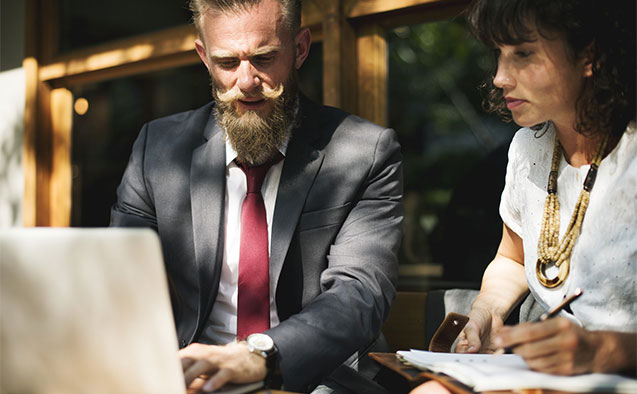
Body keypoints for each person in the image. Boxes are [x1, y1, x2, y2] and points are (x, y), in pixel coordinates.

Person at [110, 0, 403, 393]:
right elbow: (121, 280)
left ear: (300, 48)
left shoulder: (365, 152)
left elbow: (358, 295)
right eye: (227, 63)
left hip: (313, 379)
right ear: (203, 56)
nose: (246, 81)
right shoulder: (158, 150)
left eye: (263, 58)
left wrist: (259, 355)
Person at [412, 1, 635, 391]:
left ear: (590, 56)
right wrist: (485, 313)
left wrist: (604, 349)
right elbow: (512, 260)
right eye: (498, 54)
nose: (499, 77)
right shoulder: (527, 149)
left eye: (523, 54)